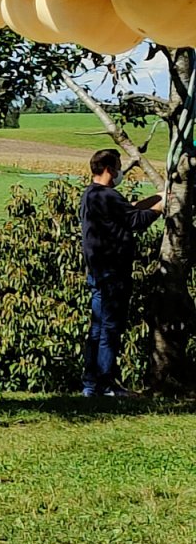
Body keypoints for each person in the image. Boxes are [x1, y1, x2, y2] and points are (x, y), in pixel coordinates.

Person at [79, 148, 164, 398]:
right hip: (112, 271)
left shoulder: (92, 196)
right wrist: (162, 207)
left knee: (97, 329)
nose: (119, 172)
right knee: (109, 329)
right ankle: (105, 384)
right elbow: (136, 220)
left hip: (97, 270)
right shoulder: (107, 195)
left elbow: (128, 210)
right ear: (109, 169)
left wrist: (157, 197)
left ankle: (91, 384)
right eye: (117, 166)